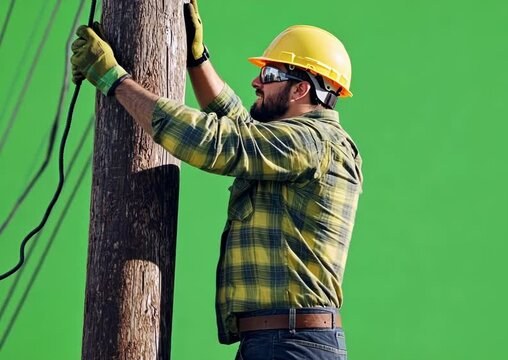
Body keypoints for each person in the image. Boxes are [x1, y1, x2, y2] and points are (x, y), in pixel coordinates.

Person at [71, 1, 362, 358]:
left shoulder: (314, 143)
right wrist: (197, 59)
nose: (257, 81)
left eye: (270, 75)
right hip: (279, 342)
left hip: (291, 345)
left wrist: (115, 80)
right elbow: (240, 125)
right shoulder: (296, 145)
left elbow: (219, 141)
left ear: (302, 89)